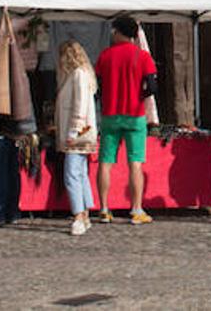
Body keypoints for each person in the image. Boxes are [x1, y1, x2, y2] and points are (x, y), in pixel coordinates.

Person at [94, 16, 158, 225]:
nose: (112, 34)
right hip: (135, 116)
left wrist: (106, 96)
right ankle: (136, 209)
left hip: (110, 115)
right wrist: (139, 96)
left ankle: (103, 209)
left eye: (114, 31)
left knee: (105, 162)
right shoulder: (143, 56)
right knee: (135, 163)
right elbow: (153, 87)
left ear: (121, 32)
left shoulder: (105, 56)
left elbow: (97, 87)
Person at [55, 38, 98, 236]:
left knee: (71, 175)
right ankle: (85, 213)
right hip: (81, 133)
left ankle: (79, 215)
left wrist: (74, 130)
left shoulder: (78, 75)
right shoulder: (82, 73)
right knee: (80, 174)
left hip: (77, 133)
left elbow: (79, 105)